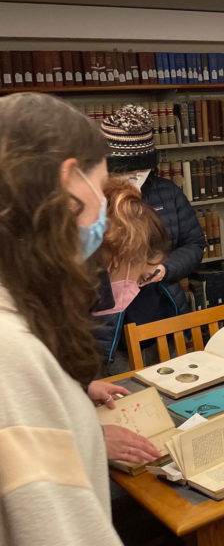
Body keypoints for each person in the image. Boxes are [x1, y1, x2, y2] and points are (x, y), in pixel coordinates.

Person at [0, 92, 124, 545]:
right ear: (70, 181)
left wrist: (71, 390)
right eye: (102, 190)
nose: (105, 222)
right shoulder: (9, 355)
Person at [92, 105, 205, 372]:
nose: (132, 178)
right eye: (123, 169)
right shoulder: (91, 202)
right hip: (112, 329)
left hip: (163, 313)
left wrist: (164, 268)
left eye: (139, 169)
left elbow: (194, 244)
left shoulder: (168, 194)